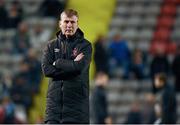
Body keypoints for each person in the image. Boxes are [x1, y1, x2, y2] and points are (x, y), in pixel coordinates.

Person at [41, 9, 92, 124]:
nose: (69, 25)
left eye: (72, 22)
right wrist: (72, 65)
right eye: (66, 21)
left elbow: (79, 68)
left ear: (77, 24)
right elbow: (46, 70)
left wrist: (58, 63)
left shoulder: (85, 46)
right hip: (53, 110)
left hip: (77, 112)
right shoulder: (51, 46)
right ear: (60, 24)